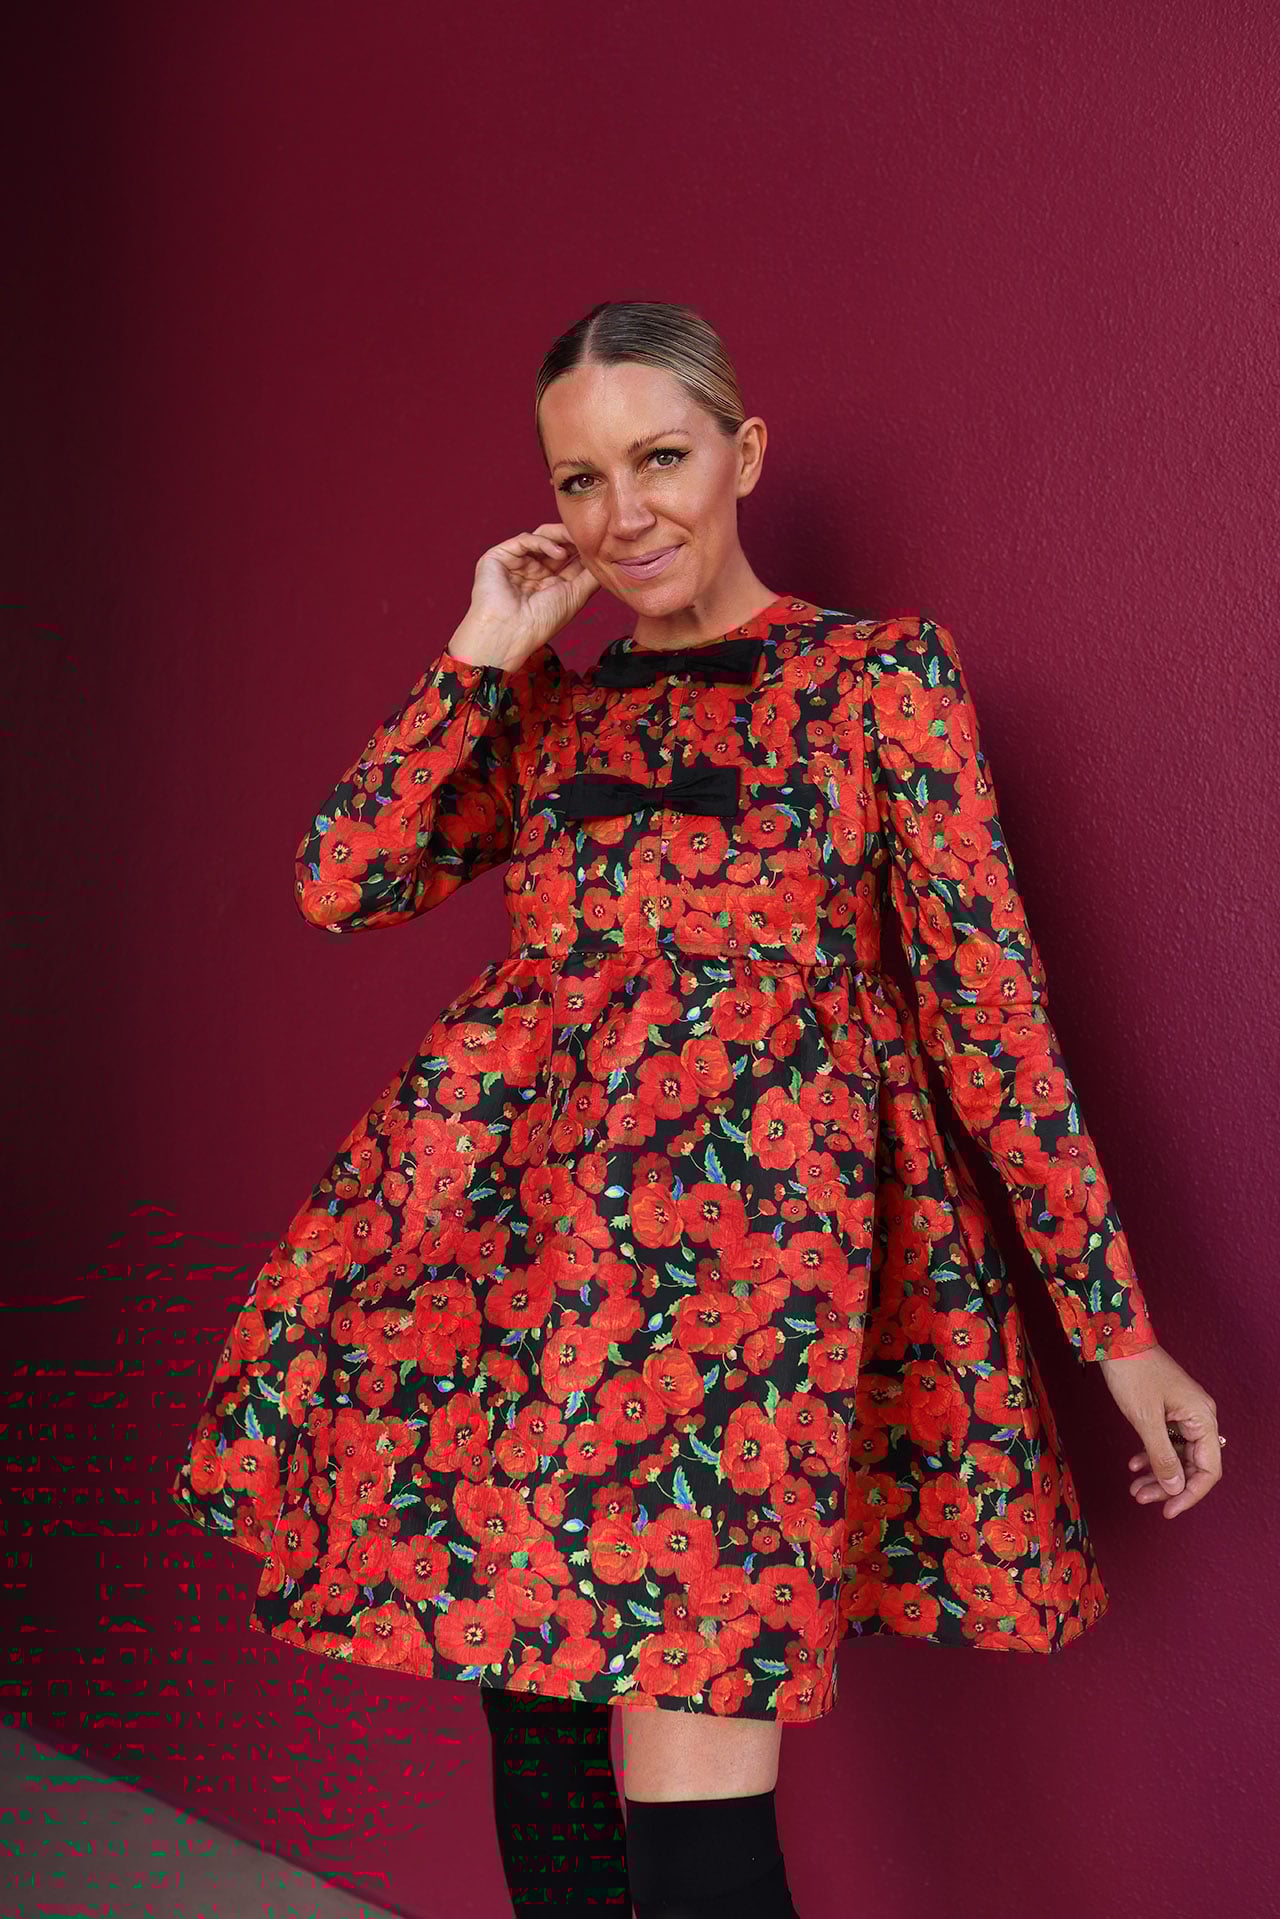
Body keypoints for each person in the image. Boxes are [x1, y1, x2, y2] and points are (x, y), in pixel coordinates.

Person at [171, 300, 1223, 1919]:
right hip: (525, 1285)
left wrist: (1116, 1326)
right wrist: (481, 651)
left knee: (698, 1801)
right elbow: (341, 880)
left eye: (658, 457)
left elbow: (990, 1013)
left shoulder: (879, 678)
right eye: (579, 479)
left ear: (744, 454)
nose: (625, 511)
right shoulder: (550, 706)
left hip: (752, 1294)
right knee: (539, 1728)